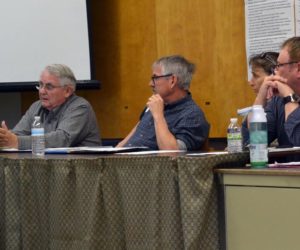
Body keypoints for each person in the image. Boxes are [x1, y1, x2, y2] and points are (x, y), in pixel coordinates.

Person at [117, 55, 210, 151]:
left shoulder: (192, 114)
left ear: (172, 81)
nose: (150, 84)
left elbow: (172, 153)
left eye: (155, 78)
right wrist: (116, 150)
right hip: (123, 161)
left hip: (150, 165)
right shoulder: (156, 104)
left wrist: (158, 116)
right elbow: (136, 131)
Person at [0, 64, 101, 149]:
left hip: (83, 169)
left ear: (67, 91)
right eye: (40, 85)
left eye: (49, 87)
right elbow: (18, 134)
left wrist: (17, 142)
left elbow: (61, 139)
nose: (42, 91)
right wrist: (4, 138)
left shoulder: (80, 108)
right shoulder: (36, 106)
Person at [243, 36, 300, 147]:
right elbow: (254, 140)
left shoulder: (286, 96)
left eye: (279, 66)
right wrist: (260, 98)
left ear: (298, 69)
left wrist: (290, 98)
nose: (275, 72)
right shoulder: (278, 101)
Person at [242, 52, 279, 145]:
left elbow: (253, 142)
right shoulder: (269, 104)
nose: (250, 82)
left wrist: (260, 98)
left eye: (256, 76)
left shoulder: (276, 104)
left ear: (273, 76)